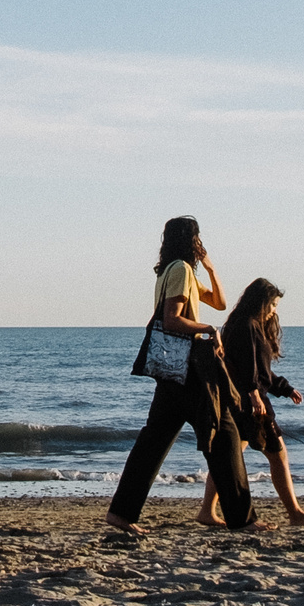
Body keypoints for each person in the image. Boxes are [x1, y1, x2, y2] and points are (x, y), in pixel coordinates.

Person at [106, 215, 252, 533]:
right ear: (191, 240)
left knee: (153, 441)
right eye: (197, 238)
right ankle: (241, 519)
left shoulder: (173, 272)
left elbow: (219, 301)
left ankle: (121, 513)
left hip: (172, 369)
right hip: (189, 368)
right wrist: (209, 330)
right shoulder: (181, 271)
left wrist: (211, 268)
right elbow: (172, 321)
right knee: (225, 434)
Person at [219, 278, 304, 528]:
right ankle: (295, 513)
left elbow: (261, 372)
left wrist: (285, 389)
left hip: (240, 400)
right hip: (251, 403)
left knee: (230, 457)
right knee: (278, 455)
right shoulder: (247, 326)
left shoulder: (242, 324)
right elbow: (249, 368)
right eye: (273, 305)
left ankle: (206, 510)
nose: (275, 311)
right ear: (262, 302)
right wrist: (255, 394)